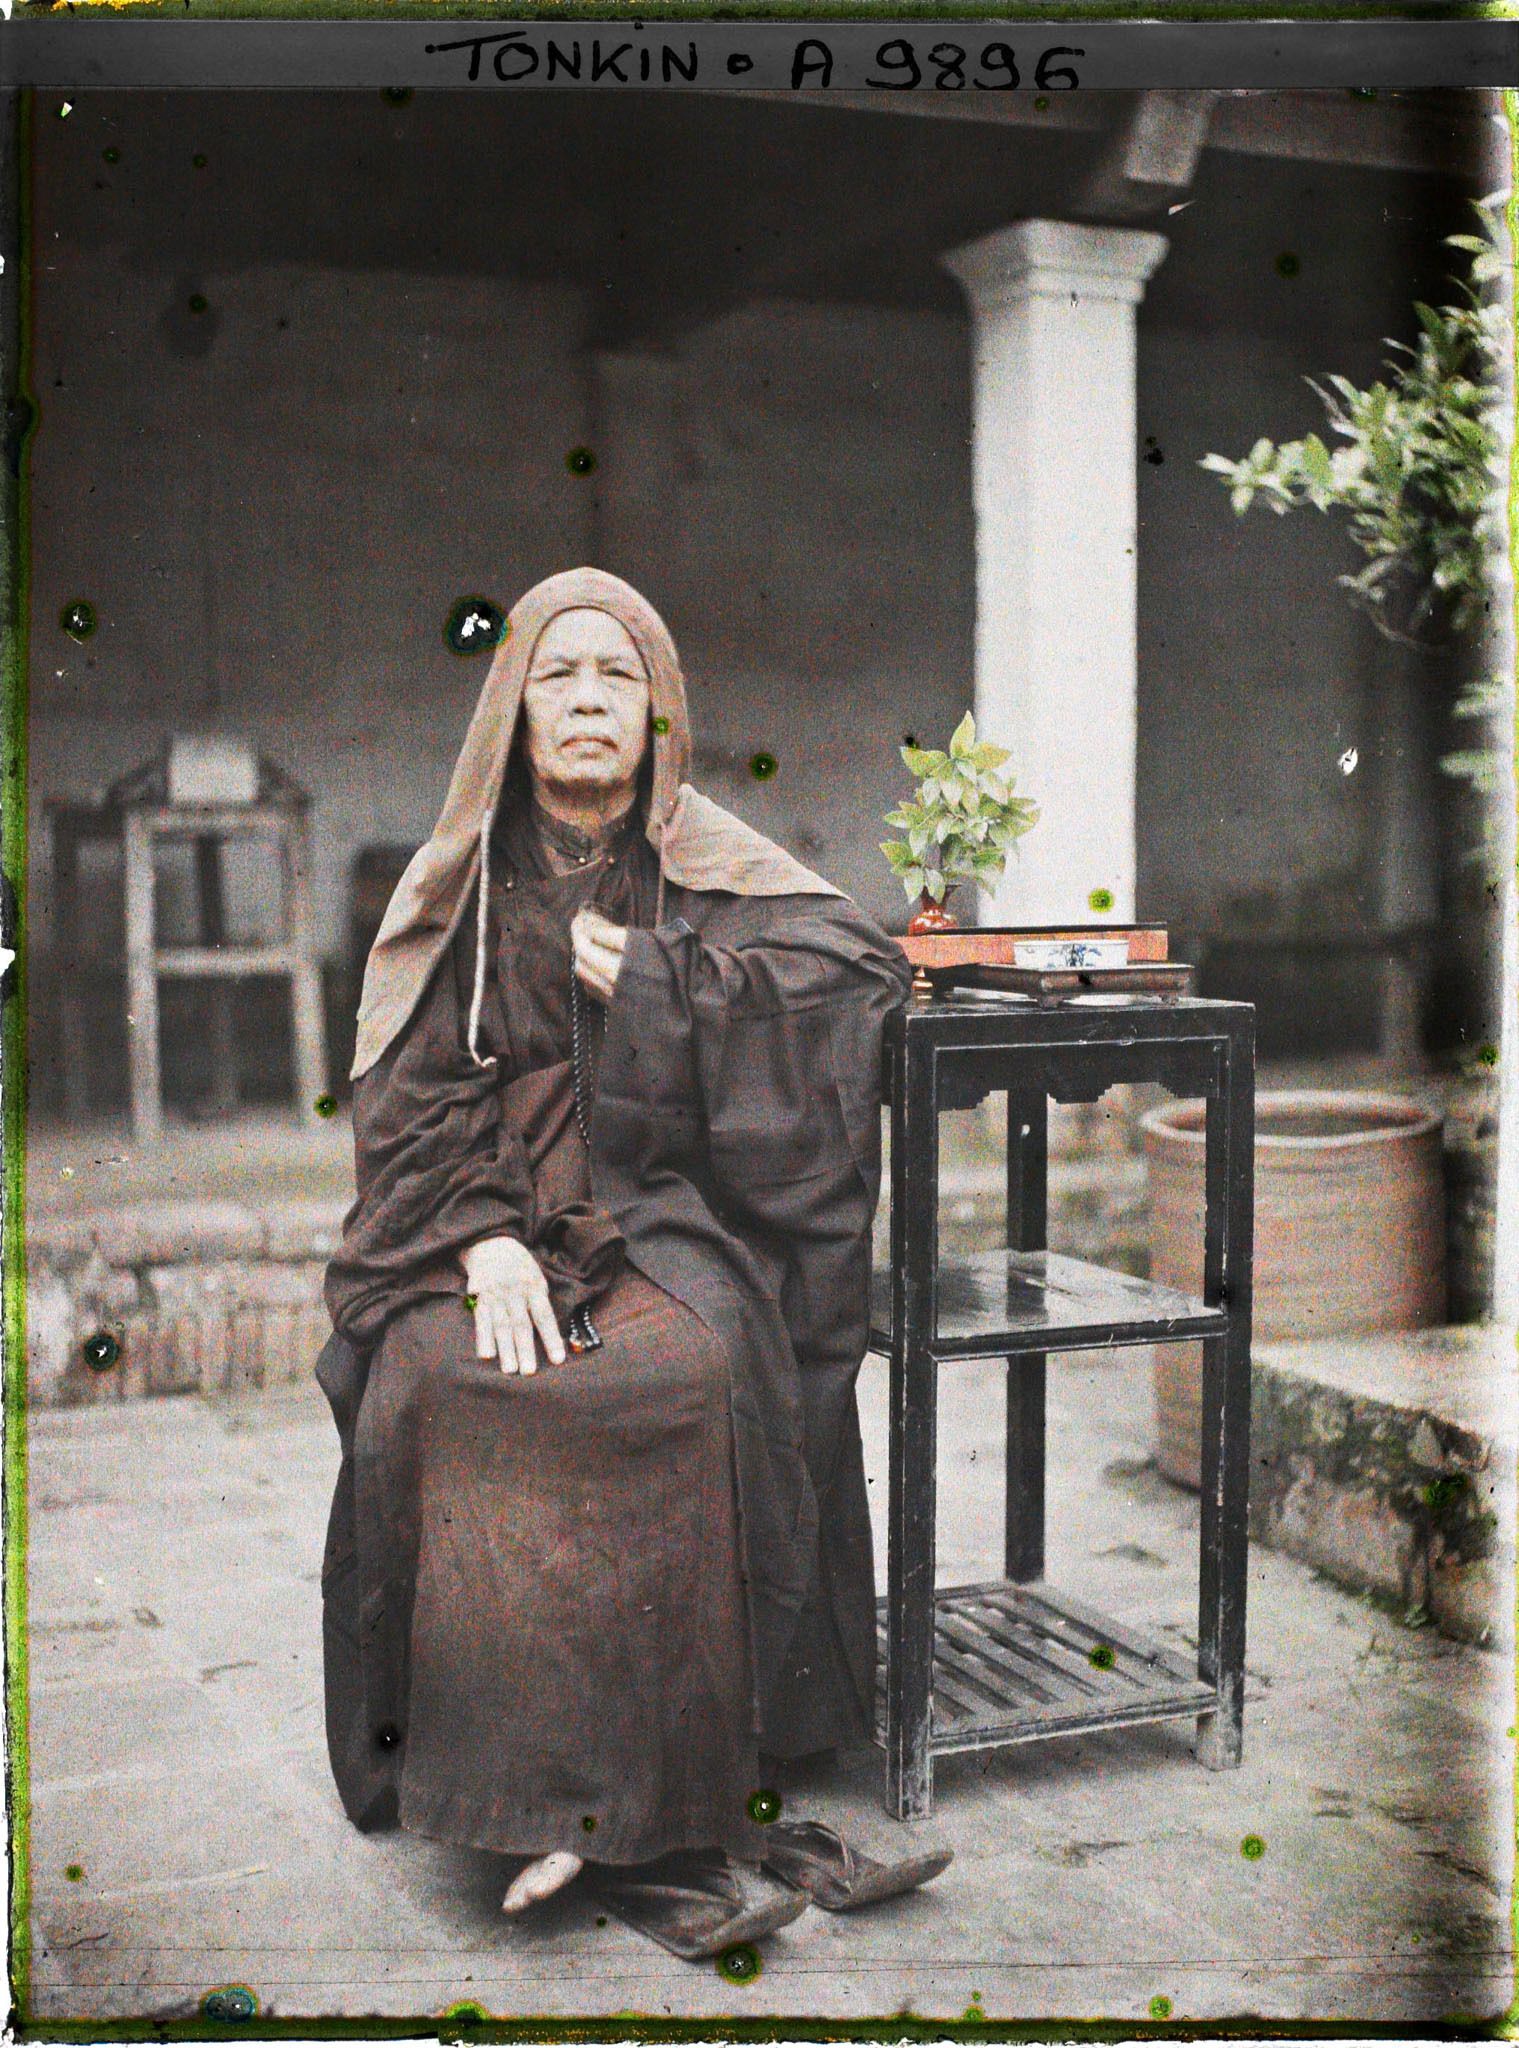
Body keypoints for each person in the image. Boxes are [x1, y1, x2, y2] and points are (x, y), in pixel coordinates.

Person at [315, 568, 949, 1959]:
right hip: (470, 1227)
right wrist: (482, 1241)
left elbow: (858, 983)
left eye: (618, 678)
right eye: (561, 676)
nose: (590, 701)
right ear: (515, 711)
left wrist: (669, 989)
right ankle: (530, 1786)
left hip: (661, 1220)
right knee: (455, 1381)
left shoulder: (709, 860)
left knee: (693, 1371)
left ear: (658, 714)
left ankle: (624, 1800)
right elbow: (405, 1101)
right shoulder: (457, 890)